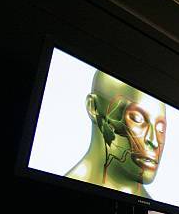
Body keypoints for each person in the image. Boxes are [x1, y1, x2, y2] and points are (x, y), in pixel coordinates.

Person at [66, 70, 167, 198]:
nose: (153, 141)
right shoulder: (61, 195)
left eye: (161, 128)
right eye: (137, 119)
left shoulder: (155, 211)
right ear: (94, 108)